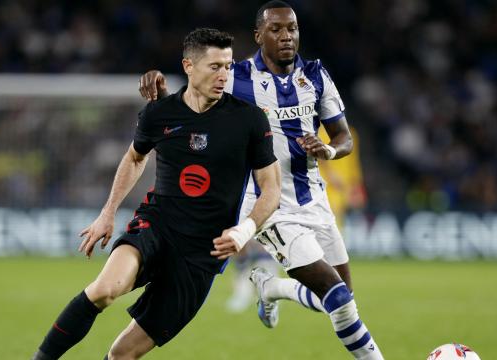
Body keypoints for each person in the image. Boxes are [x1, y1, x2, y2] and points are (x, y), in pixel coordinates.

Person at [139, 2, 384, 359]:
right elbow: (192, 100)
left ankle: (270, 289)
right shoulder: (236, 77)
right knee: (340, 301)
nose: (286, 36)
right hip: (269, 204)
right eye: (276, 29)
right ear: (259, 35)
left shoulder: (316, 76)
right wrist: (161, 92)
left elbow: (343, 137)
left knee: (339, 300)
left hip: (315, 200)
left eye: (292, 29)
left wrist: (330, 151)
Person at [31, 28, 281, 360]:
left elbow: (272, 189)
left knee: (122, 354)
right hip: (156, 227)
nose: (223, 75)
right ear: (189, 66)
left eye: (228, 66)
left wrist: (244, 229)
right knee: (105, 291)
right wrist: (108, 213)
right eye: (214, 66)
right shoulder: (159, 113)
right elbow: (135, 157)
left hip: (202, 254)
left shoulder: (248, 120)